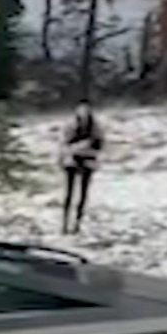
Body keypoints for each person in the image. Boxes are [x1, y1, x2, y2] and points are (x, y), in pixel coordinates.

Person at [58, 100, 105, 234]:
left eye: (86, 110)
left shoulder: (96, 127)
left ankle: (77, 224)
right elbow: (64, 145)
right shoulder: (70, 126)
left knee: (83, 195)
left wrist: (89, 151)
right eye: (81, 110)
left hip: (88, 161)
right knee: (69, 194)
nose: (83, 112)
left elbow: (100, 145)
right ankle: (65, 224)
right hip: (71, 161)